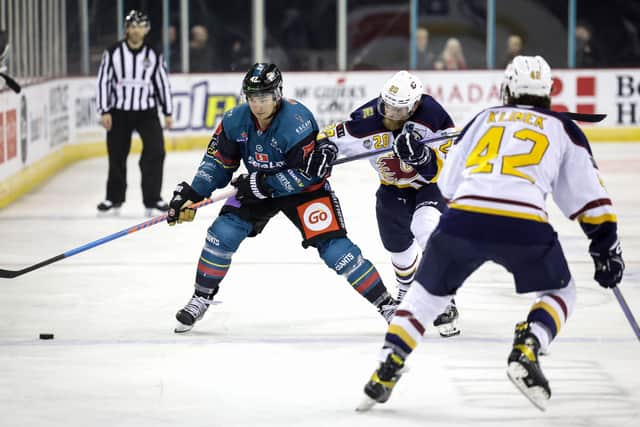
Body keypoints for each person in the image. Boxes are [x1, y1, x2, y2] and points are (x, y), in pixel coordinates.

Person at [358, 56, 625, 411]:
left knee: (424, 297)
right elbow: (589, 199)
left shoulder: (483, 119)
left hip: (463, 218)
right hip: (524, 223)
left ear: (507, 88)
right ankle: (529, 343)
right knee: (562, 291)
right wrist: (605, 246)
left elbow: (448, 184)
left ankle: (387, 367)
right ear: (548, 92)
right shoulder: (563, 129)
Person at [167, 63, 398, 333]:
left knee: (336, 250)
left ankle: (387, 304)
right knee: (222, 233)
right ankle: (200, 297)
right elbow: (218, 163)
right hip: (257, 187)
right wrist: (193, 193)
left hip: (304, 192)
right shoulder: (234, 120)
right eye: (252, 97)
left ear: (277, 94)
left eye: (263, 97)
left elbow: (307, 175)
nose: (257, 104)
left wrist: (262, 183)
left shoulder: (297, 121)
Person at [304, 71, 461, 338]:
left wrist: (422, 157)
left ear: (414, 106)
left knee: (425, 227)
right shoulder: (366, 118)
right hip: (392, 189)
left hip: (429, 186)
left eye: (399, 110)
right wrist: (327, 149)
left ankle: (444, 295)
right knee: (396, 245)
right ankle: (405, 289)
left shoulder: (433, 115)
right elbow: (329, 136)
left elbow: (449, 161)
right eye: (387, 106)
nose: (391, 114)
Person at [96, 10, 173, 216]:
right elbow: (104, 81)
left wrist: (167, 111)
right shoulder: (113, 52)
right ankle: (113, 198)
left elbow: (161, 83)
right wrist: (104, 110)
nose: (136, 30)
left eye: (140, 26)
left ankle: (153, 198)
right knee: (117, 155)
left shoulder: (154, 54)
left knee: (156, 152)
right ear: (126, 29)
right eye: (132, 26)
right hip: (119, 111)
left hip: (147, 112)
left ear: (146, 29)